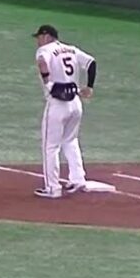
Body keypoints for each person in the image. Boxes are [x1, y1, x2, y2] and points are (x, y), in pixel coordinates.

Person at [31, 24, 97, 199]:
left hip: (57, 104)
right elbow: (91, 62)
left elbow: (42, 62)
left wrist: (48, 83)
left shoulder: (45, 50)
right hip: (75, 103)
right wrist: (89, 86)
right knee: (70, 140)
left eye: (39, 37)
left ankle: (53, 188)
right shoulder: (71, 49)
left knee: (50, 147)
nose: (38, 41)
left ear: (46, 36)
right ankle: (78, 179)